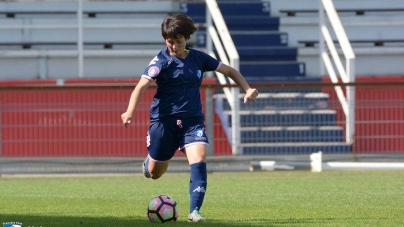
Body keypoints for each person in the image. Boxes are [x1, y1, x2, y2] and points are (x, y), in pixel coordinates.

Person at [121, 14, 259, 222]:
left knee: (199, 159)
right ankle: (150, 161)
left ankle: (194, 212)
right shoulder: (161, 61)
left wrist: (247, 89)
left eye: (179, 41)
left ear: (186, 38)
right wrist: (130, 111)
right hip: (164, 122)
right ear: (165, 39)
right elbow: (142, 85)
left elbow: (229, 70)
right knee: (155, 173)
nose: (174, 46)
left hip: (192, 121)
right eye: (170, 42)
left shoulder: (198, 58)